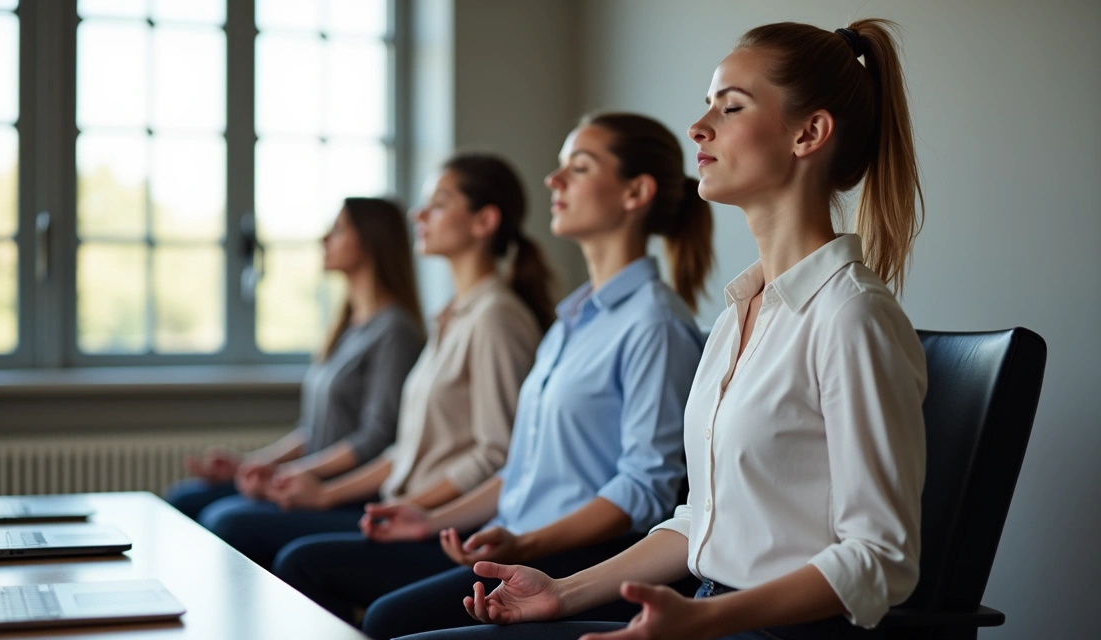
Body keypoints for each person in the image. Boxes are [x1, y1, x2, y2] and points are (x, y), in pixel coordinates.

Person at [433, 19, 928, 640]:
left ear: (809, 133)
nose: (698, 127)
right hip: (708, 610)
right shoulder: (737, 315)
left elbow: (881, 558)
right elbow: (703, 520)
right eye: (707, 105)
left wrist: (706, 617)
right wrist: (561, 592)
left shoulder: (852, 316)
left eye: (731, 107)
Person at [274, 113, 715, 640]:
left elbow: (644, 489)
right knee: (364, 598)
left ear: (635, 192)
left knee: (386, 616)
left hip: (577, 556)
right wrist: (431, 519)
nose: (553, 180)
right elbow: (518, 469)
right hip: (517, 540)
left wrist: (527, 544)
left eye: (578, 167)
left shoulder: (655, 325)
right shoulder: (570, 322)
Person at [196, 154, 552, 569]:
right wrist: (320, 492)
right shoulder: (452, 316)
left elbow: (497, 456)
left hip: (445, 526)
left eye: (439, 203)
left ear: (484, 221)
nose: (419, 214)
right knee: (229, 519)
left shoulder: (495, 318)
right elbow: (401, 451)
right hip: (403, 506)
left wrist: (414, 509)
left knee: (280, 550)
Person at [165, 197, 424, 521]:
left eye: (338, 230)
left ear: (371, 240)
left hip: (347, 495)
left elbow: (375, 439)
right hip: (308, 478)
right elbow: (314, 431)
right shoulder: (347, 327)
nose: (324, 239)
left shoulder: (395, 332)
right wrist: (252, 463)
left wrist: (288, 474)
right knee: (184, 499)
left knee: (226, 520)